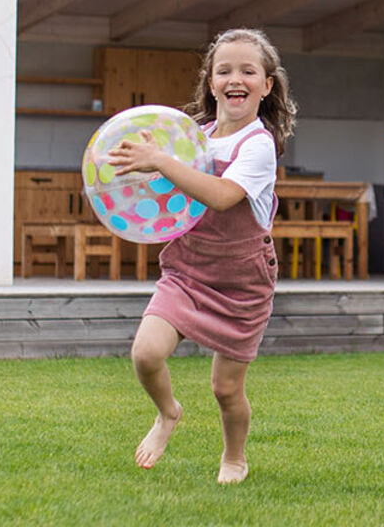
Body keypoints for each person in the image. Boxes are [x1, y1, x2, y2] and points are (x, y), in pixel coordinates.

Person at [109, 27, 297, 485]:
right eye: (225, 70)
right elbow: (162, 191)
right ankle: (167, 413)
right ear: (211, 83)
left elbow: (221, 195)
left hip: (242, 281)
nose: (236, 79)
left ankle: (235, 456)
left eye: (248, 71)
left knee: (226, 388)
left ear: (267, 85)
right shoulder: (192, 138)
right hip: (189, 269)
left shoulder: (258, 144)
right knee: (146, 354)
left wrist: (162, 161)